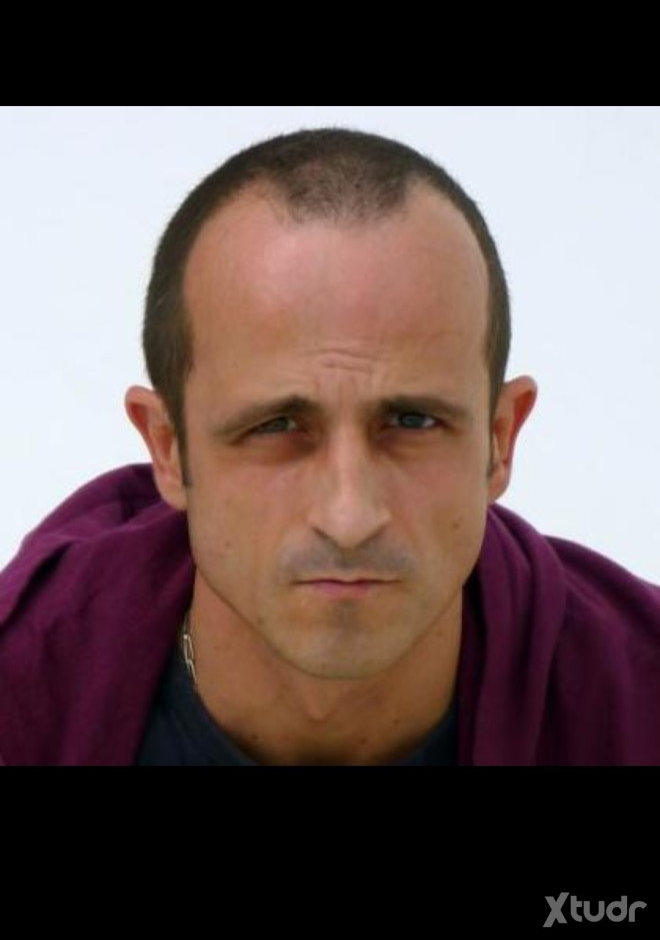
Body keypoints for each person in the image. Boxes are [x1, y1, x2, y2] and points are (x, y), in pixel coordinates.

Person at [2, 126, 660, 766]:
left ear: (500, 439)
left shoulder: (639, 697)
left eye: (412, 421)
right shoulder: (23, 695)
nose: (349, 517)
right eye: (276, 426)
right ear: (168, 449)